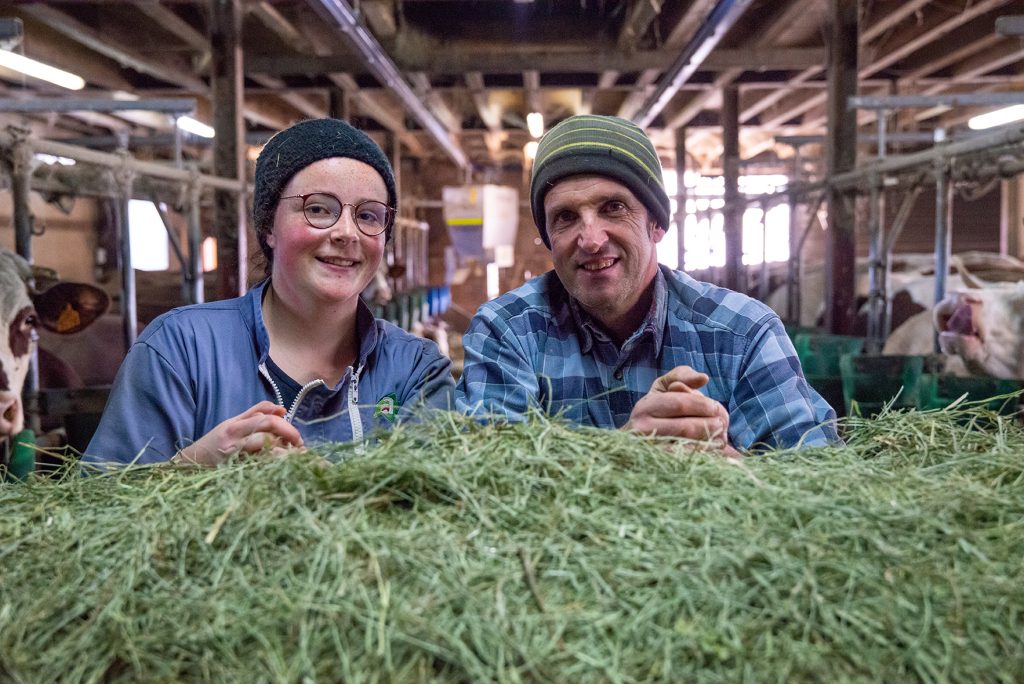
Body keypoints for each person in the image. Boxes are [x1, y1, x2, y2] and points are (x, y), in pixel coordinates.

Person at [456, 114, 839, 451]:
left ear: (655, 224)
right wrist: (625, 454)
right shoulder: (507, 331)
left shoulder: (743, 333)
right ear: (549, 239)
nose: (590, 239)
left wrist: (728, 466)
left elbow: (819, 481)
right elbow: (489, 489)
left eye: (613, 208)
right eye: (566, 217)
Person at [85, 118, 454, 467]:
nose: (347, 232)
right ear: (268, 226)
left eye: (368, 216)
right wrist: (192, 466)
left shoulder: (414, 370)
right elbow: (97, 510)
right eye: (318, 209)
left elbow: (438, 510)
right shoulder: (181, 349)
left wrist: (319, 484)